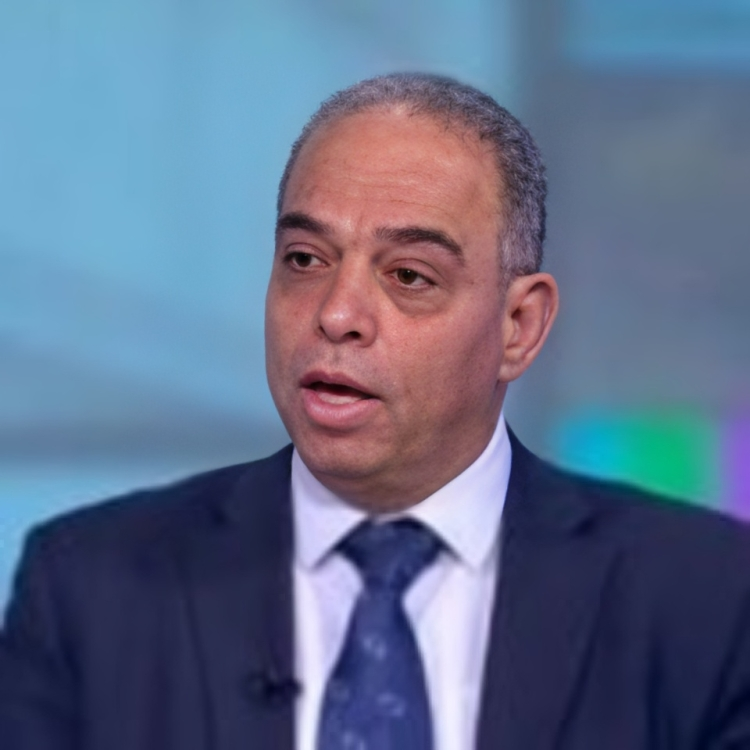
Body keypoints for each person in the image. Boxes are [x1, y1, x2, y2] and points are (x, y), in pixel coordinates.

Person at [2, 73, 750, 750]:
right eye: (305, 260)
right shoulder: (86, 587)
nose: (336, 314)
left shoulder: (708, 598)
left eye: (409, 276)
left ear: (518, 326)